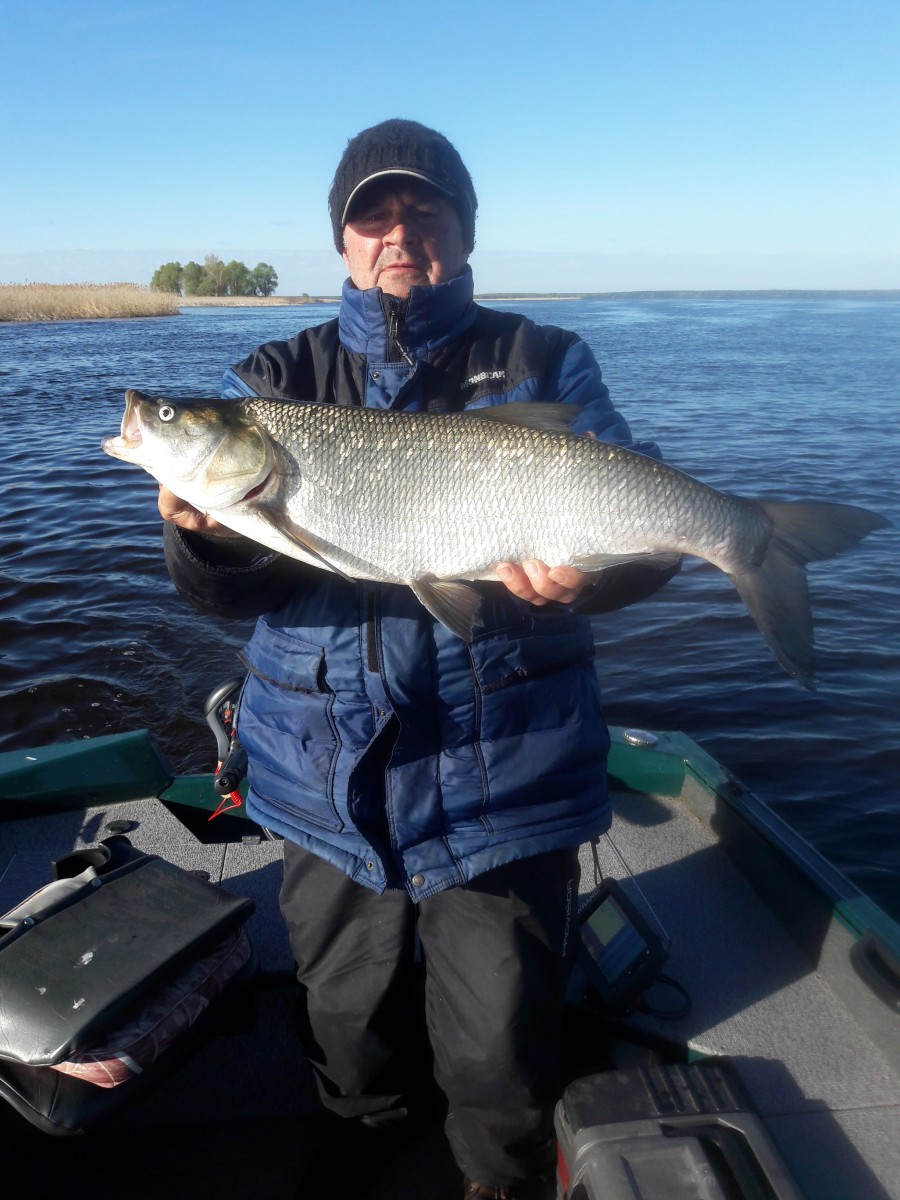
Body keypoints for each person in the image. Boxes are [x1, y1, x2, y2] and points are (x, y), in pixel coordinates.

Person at [160, 119, 678, 1200]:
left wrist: (599, 574)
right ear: (344, 243)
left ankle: (499, 1177)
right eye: (375, 215)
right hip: (319, 775)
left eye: (425, 210)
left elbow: (636, 520)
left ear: (464, 231)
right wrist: (198, 533)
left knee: (501, 1039)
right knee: (344, 1015)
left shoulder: (543, 357)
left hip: (506, 777)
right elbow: (226, 596)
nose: (401, 234)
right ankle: (365, 1138)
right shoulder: (275, 376)